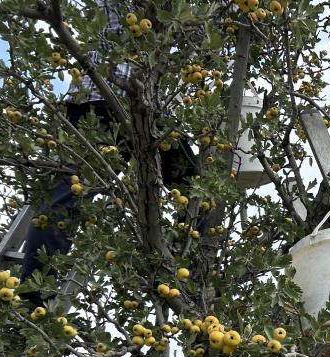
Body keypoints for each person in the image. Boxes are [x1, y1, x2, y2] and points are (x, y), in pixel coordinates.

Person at [19, 0, 198, 303]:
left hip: (129, 101)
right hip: (107, 96)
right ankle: (34, 300)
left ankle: (192, 267)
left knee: (195, 187)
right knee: (67, 197)